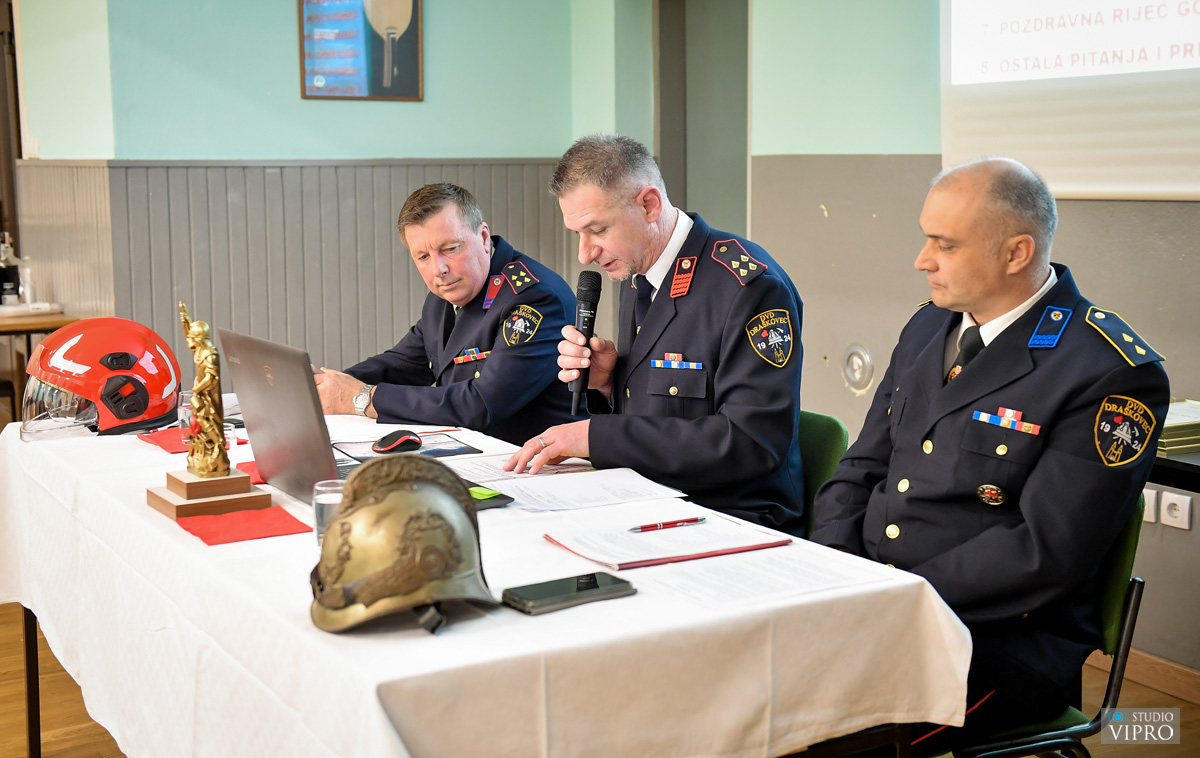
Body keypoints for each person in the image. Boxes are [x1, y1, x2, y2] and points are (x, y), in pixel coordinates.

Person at [808, 157, 1170, 755]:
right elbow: (861, 467)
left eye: (944, 244)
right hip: (874, 600)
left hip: (996, 642)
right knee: (743, 681)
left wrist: (890, 597)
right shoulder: (929, 327)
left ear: (1016, 252)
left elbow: (1045, 550)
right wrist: (837, 571)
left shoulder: (1107, 370)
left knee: (815, 733)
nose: (922, 260)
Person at [505, 134, 805, 534]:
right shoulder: (638, 274)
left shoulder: (749, 287)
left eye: (597, 230)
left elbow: (752, 443)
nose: (585, 253)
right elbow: (660, 415)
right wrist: (608, 385)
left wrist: (597, 437)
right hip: (649, 498)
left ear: (649, 204)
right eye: (578, 233)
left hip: (732, 516)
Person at [315, 183, 580, 446]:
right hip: (483, 453)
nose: (438, 269)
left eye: (450, 249)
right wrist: (324, 385)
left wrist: (364, 398)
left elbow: (481, 404)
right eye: (423, 257)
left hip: (546, 462)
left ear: (484, 238)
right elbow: (403, 363)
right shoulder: (449, 291)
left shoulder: (534, 298)